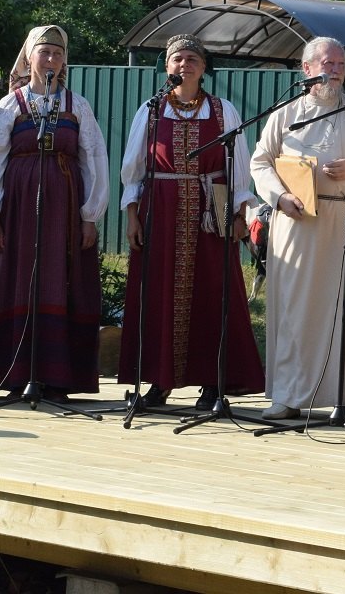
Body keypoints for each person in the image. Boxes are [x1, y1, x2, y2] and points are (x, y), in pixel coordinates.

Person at [250, 37, 345, 420]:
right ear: (307, 69)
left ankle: (342, 396)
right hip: (296, 224)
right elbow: (260, 163)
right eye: (328, 64)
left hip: (343, 224)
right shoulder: (286, 113)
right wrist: (279, 197)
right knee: (296, 310)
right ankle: (288, 394)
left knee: (344, 310)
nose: (335, 71)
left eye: (341, 65)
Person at [118, 34, 264, 409]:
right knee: (158, 294)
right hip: (160, 212)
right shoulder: (150, 110)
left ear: (204, 67)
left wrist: (237, 214)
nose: (185, 65)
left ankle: (213, 383)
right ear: (167, 66)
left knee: (213, 293)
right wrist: (133, 215)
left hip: (209, 212)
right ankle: (158, 381)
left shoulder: (222, 110)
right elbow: (133, 170)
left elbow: (238, 169)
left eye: (193, 59)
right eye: (178, 59)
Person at [0, 25, 108, 399]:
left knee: (60, 281)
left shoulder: (77, 105)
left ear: (64, 61)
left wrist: (89, 215)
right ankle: (15, 376)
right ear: (29, 57)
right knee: (16, 279)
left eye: (57, 54)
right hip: (17, 210)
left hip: (64, 210)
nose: (50, 59)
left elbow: (92, 159)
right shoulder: (10, 105)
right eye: (44, 52)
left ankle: (57, 377)